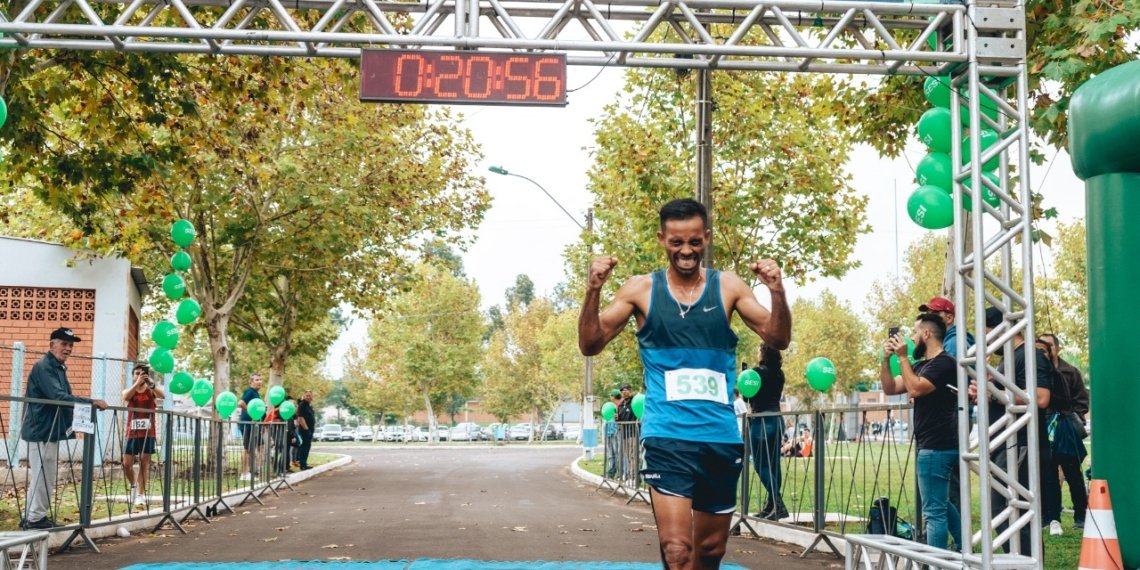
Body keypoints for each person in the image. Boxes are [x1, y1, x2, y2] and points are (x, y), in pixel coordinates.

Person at [578, 198, 791, 570]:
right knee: (677, 551)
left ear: (706, 237)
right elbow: (590, 344)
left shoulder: (728, 286)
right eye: (677, 242)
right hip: (667, 436)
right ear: (663, 239)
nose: (686, 251)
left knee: (709, 552)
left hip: (719, 437)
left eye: (694, 241)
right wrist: (593, 290)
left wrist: (777, 291)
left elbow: (777, 338)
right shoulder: (640, 290)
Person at [968, 307, 1054, 555]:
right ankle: (1022, 560)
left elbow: (1040, 397)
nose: (986, 342)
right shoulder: (1007, 359)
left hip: (1021, 444)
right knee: (1006, 512)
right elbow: (1005, 397)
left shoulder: (1029, 356)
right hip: (1005, 444)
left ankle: (1027, 562)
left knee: (1008, 512)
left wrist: (993, 394)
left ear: (1002, 329)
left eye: (987, 335)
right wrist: (984, 394)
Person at [880, 313, 961, 550]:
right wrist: (886, 361)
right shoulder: (921, 365)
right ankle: (964, 546)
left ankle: (936, 562)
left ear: (926, 334)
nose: (912, 338)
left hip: (937, 445)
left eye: (915, 332)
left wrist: (903, 357)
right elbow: (890, 387)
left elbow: (915, 389)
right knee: (941, 503)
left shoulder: (944, 362)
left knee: (933, 513)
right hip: (932, 444)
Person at [20, 328, 108, 529]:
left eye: (70, 345)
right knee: (45, 476)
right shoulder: (45, 367)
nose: (68, 348)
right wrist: (90, 402)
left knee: (42, 475)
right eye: (64, 344)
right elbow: (58, 397)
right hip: (41, 430)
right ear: (52, 345)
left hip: (48, 429)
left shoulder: (57, 367)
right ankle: (35, 519)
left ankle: (31, 516)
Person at [1036, 334, 1089, 533]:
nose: (1040, 353)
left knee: (1073, 473)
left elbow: (1080, 401)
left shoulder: (1067, 372)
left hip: (1064, 430)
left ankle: (1081, 516)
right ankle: (1051, 517)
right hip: (1043, 430)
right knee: (1048, 476)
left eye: (1045, 348)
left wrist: (1071, 418)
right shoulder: (1034, 373)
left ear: (1054, 350)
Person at [744, 344, 787, 520]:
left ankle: (777, 503)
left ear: (763, 353)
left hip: (761, 420)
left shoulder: (756, 373)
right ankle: (772, 505)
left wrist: (744, 378)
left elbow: (749, 397)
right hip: (777, 419)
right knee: (774, 464)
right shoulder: (780, 374)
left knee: (760, 464)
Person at [122, 363, 164, 508]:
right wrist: (137, 384)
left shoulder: (150, 391)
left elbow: (162, 396)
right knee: (127, 464)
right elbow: (126, 397)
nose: (140, 375)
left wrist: (151, 384)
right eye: (136, 373)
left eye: (142, 373)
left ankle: (140, 494)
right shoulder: (129, 390)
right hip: (132, 432)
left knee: (144, 463)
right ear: (133, 376)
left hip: (148, 432)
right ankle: (133, 486)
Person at [238, 373, 263, 481]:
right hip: (247, 424)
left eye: (260, 380)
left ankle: (256, 470)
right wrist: (251, 412)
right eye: (257, 380)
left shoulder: (256, 393)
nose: (259, 381)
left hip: (254, 425)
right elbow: (241, 403)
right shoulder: (250, 391)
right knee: (247, 449)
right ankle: (244, 474)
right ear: (251, 382)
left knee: (260, 446)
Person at [604, 389, 622, 479]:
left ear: (613, 397)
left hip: (616, 431)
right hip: (609, 432)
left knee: (617, 453)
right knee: (611, 454)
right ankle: (610, 473)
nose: (610, 397)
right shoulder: (610, 406)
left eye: (611, 395)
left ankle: (620, 473)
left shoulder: (620, 407)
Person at [296, 390, 315, 470]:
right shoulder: (302, 405)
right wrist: (306, 429)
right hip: (305, 430)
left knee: (307, 447)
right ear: (304, 396)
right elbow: (300, 418)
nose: (309, 397)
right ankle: (302, 464)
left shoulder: (309, 405)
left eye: (310, 395)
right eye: (307, 395)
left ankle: (304, 463)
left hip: (310, 429)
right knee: (304, 447)